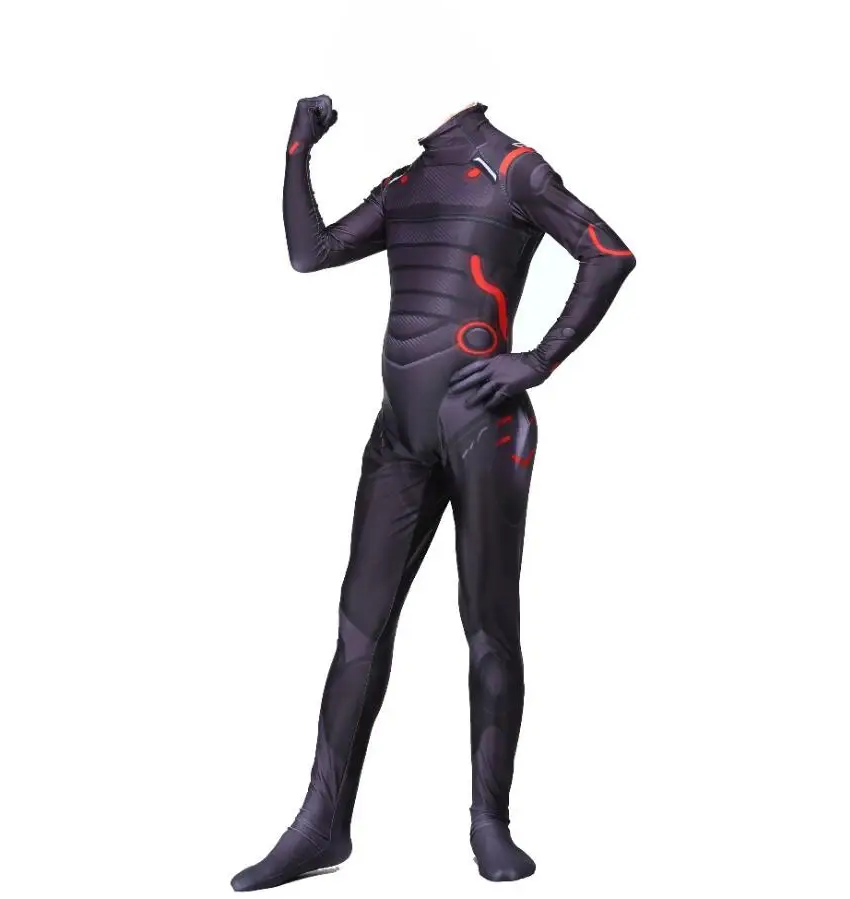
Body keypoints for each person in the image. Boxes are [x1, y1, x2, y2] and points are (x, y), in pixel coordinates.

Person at [231, 97, 636, 891]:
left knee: (488, 626)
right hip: (401, 435)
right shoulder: (409, 181)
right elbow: (311, 252)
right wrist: (297, 151)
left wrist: (537, 360)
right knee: (358, 629)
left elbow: (608, 253)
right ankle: (320, 825)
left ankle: (490, 824)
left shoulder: (514, 167)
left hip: (486, 428)